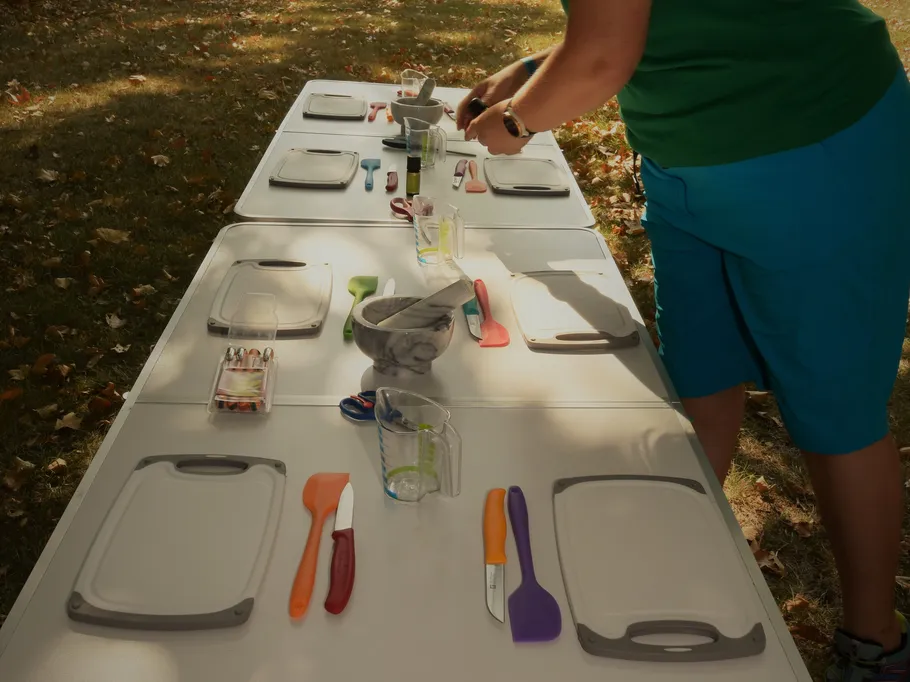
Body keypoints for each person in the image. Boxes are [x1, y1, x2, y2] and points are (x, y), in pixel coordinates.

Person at [457, 1, 910, 680]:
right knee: (699, 376)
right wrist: (532, 68)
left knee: (836, 416)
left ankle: (876, 647)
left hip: (813, 142)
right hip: (686, 162)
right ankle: (680, 564)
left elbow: (605, 57)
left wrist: (519, 119)